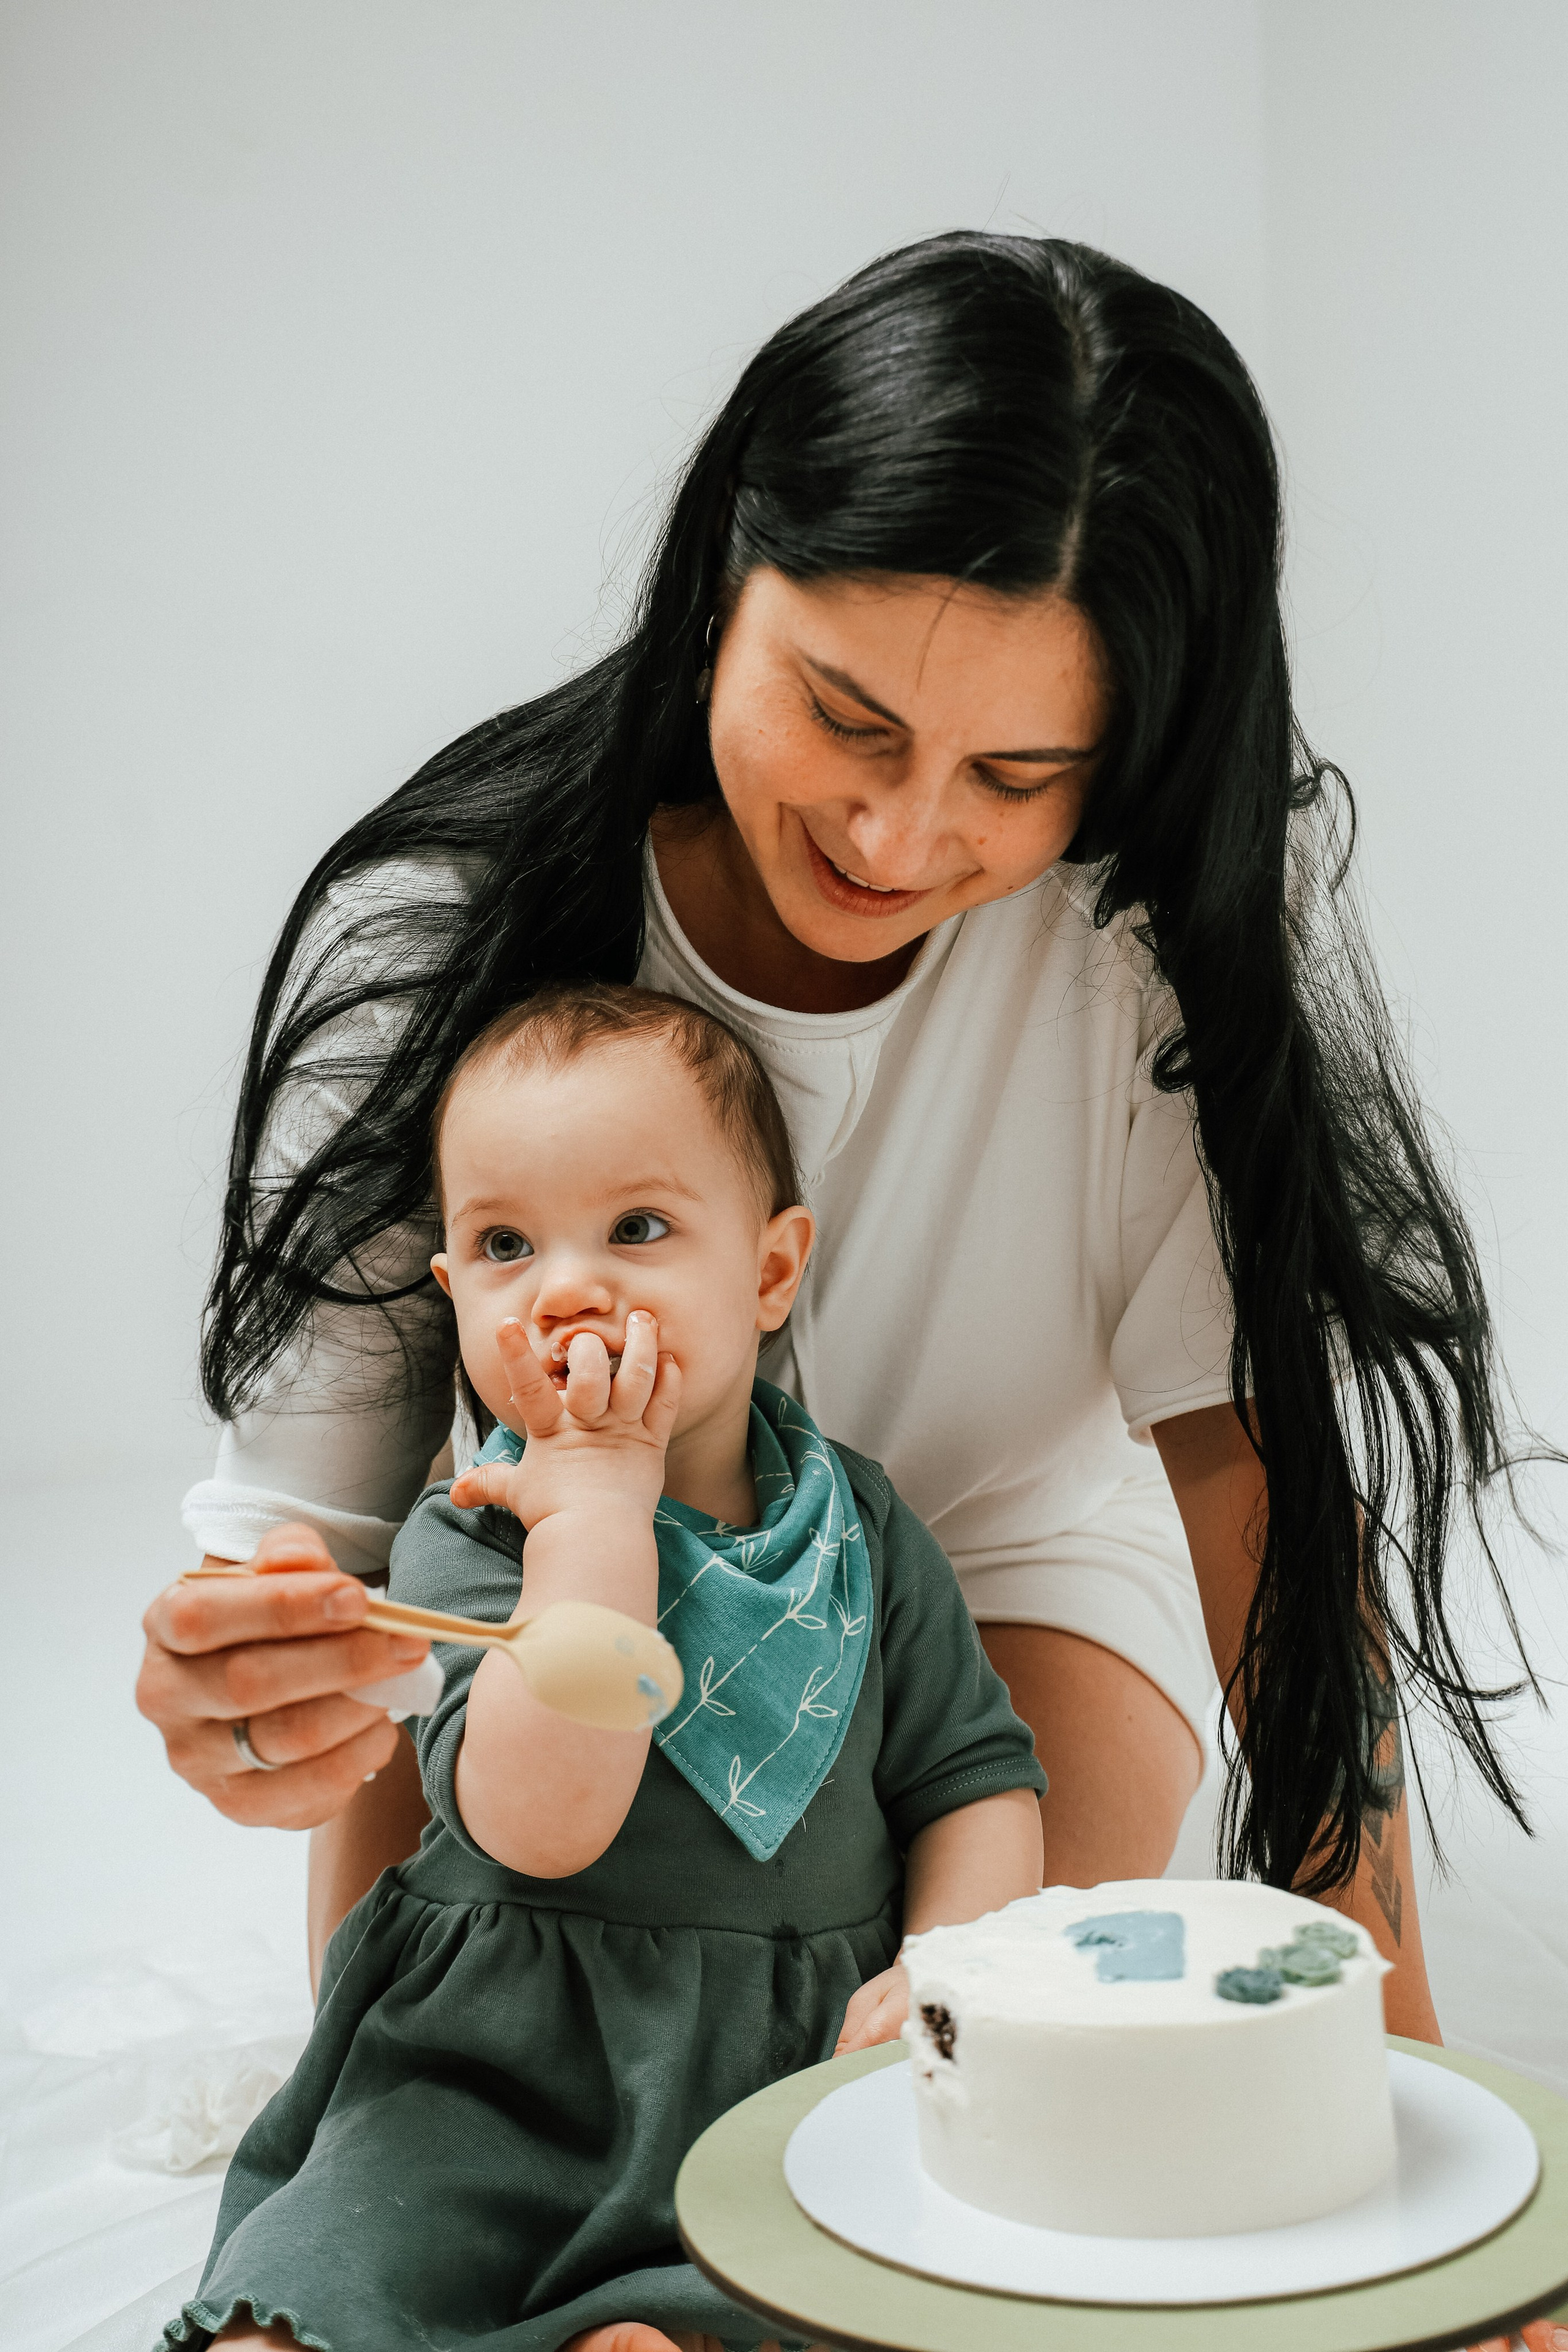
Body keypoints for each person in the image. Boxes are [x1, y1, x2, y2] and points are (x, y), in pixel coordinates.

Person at [140, 230, 1531, 2045]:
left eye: (1014, 778)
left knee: (952, 2079)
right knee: (437, 2094)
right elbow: (305, 1546)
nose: (894, 838)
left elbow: (1261, 1491)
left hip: (995, 1587)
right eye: (844, 717)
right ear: (724, 577)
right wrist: (256, 1696)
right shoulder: (445, 932)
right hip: (548, 1582)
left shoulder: (1136, 958)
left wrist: (1400, 2059)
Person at [172, 985, 1046, 2352]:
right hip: (497, 2073)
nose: (567, 1287)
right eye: (505, 1245)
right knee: (337, 2256)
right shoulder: (476, 1533)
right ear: (455, 1297)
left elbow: (972, 1780)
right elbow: (542, 1822)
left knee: (844, 2263)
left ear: (768, 1273)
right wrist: (590, 1512)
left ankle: (646, 2324)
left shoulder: (862, 1532)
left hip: (783, 2073)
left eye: (636, 1229)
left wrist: (951, 1960)